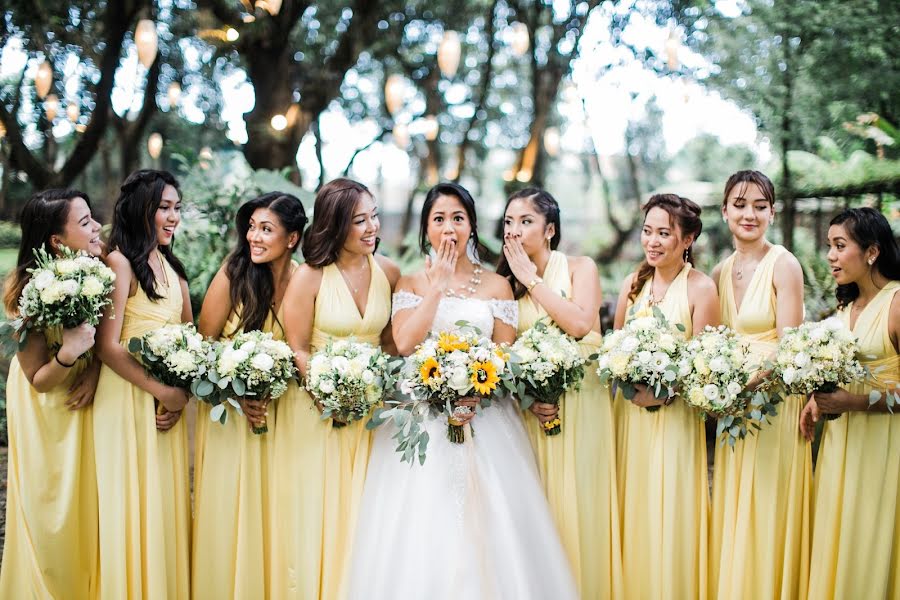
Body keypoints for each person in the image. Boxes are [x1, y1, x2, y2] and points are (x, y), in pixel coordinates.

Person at [347, 182, 577, 600]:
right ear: (426, 228)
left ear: (471, 226)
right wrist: (435, 288)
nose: (449, 228)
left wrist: (477, 391)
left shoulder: (497, 286)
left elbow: (504, 358)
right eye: (439, 219)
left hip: (487, 418)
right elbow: (405, 345)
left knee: (493, 525)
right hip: (424, 421)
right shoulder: (412, 283)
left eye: (458, 218)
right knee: (422, 529)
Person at [271, 178, 399, 599]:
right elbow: (297, 349)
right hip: (317, 412)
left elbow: (388, 343)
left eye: (374, 216)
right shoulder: (309, 278)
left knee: (367, 513)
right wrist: (331, 394)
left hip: (372, 413)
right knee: (322, 512)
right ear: (335, 225)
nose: (371, 228)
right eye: (359, 220)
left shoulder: (389, 274)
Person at [497, 187, 622, 598]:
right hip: (535, 409)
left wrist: (531, 279)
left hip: (583, 405)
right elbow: (505, 350)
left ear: (550, 229)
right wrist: (531, 397)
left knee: (582, 505)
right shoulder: (504, 283)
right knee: (541, 507)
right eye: (509, 222)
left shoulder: (580, 267)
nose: (514, 231)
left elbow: (581, 324)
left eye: (526, 221)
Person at [192, 192, 306, 600]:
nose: (254, 237)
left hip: (283, 418)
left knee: (277, 512)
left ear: (291, 239)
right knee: (230, 510)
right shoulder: (234, 272)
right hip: (231, 417)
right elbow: (203, 346)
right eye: (252, 227)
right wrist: (236, 393)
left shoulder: (304, 279)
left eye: (266, 229)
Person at [707, 170, 810, 599]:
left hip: (773, 404)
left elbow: (791, 348)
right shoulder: (718, 271)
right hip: (734, 410)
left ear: (772, 212)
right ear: (725, 211)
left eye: (760, 206)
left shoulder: (783, 264)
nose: (750, 214)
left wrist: (744, 389)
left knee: (768, 502)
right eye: (741, 204)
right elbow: (712, 343)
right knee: (735, 504)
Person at [613, 193, 719, 599]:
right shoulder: (633, 283)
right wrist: (629, 382)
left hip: (675, 421)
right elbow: (615, 349)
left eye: (664, 233)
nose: (653, 241)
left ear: (687, 239)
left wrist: (667, 393)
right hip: (632, 420)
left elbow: (706, 367)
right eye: (647, 231)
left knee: (671, 512)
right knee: (636, 509)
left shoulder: (702, 289)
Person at [92, 170, 192, 599]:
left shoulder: (171, 267)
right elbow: (107, 346)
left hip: (164, 405)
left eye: (176, 209)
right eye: (164, 208)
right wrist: (162, 390)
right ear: (141, 210)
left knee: (163, 506)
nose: (173, 218)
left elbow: (189, 335)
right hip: (127, 398)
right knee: (130, 507)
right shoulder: (119, 263)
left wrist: (181, 390)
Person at [0, 189, 102, 599]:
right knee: (51, 503)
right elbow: (36, 378)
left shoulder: (95, 270)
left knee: (87, 504)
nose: (96, 227)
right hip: (45, 402)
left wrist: (92, 368)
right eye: (85, 223)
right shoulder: (29, 290)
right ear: (57, 242)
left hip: (83, 391)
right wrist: (72, 352)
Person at [800, 207, 900, 599]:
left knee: (871, 540)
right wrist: (815, 399)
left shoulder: (896, 303)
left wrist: (855, 402)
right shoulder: (845, 310)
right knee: (838, 532)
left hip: (883, 446)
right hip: (841, 445)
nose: (830, 256)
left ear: (872, 252)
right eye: (829, 246)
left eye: (840, 246)